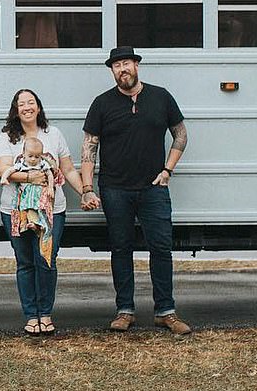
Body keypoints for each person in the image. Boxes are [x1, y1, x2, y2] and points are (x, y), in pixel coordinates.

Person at [81, 45, 191, 335]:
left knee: (161, 249)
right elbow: (89, 147)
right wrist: (87, 188)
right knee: (120, 249)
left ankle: (166, 311)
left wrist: (168, 169)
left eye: (126, 63)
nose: (122, 69)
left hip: (153, 188)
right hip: (115, 189)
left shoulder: (160, 96)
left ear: (136, 65)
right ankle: (124, 310)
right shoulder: (102, 103)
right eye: (116, 66)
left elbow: (180, 132)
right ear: (112, 71)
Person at [0, 88, 90, 336]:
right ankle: (30, 315)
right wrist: (30, 176)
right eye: (21, 103)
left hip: (51, 211)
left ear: (38, 107)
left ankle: (45, 314)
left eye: (31, 102)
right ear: (15, 110)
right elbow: (2, 168)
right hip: (16, 210)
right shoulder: (8, 137)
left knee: (46, 260)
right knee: (25, 262)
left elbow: (68, 169)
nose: (26, 107)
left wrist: (85, 192)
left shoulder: (53, 134)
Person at [0, 136, 56, 258]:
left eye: (37, 156)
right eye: (30, 156)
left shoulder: (42, 164)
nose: (33, 159)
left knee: (36, 209)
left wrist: (51, 187)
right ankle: (27, 223)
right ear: (23, 154)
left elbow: (50, 174)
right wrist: (4, 178)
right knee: (24, 208)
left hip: (38, 194)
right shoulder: (21, 164)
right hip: (25, 194)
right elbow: (9, 170)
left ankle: (35, 224)